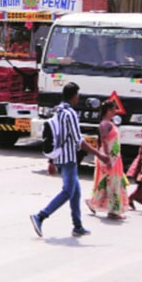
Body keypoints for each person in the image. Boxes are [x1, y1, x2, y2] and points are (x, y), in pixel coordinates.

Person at [30, 82, 109, 238]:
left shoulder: (58, 110)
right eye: (77, 95)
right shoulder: (70, 113)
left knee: (76, 192)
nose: (78, 98)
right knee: (68, 192)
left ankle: (77, 226)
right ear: (74, 96)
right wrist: (99, 155)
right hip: (68, 159)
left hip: (59, 157)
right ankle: (40, 216)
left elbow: (54, 136)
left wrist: (51, 160)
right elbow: (79, 141)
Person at [85, 100, 130, 220]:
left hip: (114, 157)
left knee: (108, 182)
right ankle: (113, 210)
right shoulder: (105, 124)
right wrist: (107, 158)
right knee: (111, 182)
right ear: (108, 110)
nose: (115, 111)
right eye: (114, 109)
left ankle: (94, 202)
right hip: (109, 157)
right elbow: (104, 141)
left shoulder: (110, 123)